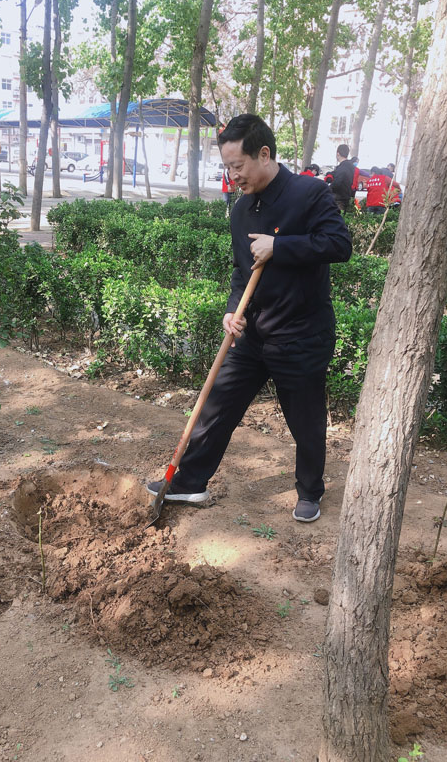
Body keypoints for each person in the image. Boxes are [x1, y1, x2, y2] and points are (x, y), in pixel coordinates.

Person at [147, 114, 352, 523]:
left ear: (264, 154)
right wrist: (231, 309)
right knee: (218, 405)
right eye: (227, 167)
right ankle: (190, 481)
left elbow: (338, 244)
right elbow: (242, 272)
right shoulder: (241, 210)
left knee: (305, 421)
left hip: (301, 335)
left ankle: (309, 491)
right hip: (253, 333)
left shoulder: (309, 193)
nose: (233, 175)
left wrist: (280, 246)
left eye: (237, 165)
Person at [327, 144, 356, 212]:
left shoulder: (342, 167)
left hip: (338, 200)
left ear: (338, 153)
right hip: (346, 196)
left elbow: (337, 183)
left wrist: (327, 189)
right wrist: (330, 174)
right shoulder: (349, 166)